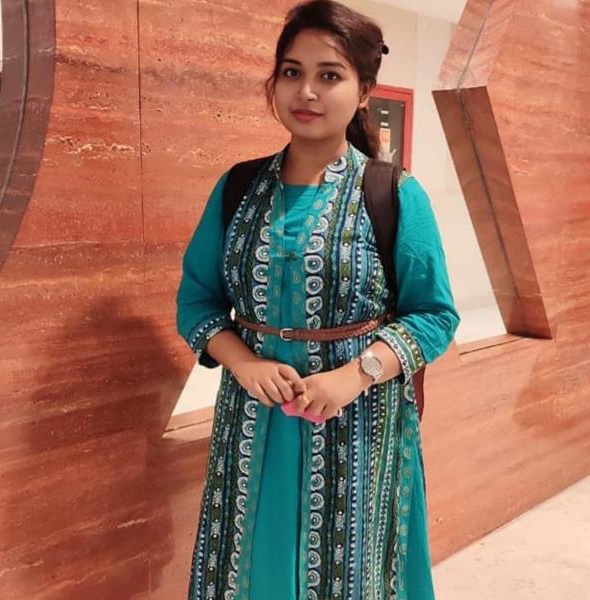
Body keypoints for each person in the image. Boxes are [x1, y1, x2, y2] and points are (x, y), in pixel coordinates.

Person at [176, 1, 460, 598]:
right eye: (291, 72)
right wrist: (245, 364)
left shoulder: (393, 194)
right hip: (251, 426)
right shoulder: (237, 188)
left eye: (329, 75)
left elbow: (435, 316)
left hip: (357, 428)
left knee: (349, 573)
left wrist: (355, 376)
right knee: (247, 568)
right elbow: (197, 304)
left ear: (364, 91)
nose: (306, 91)